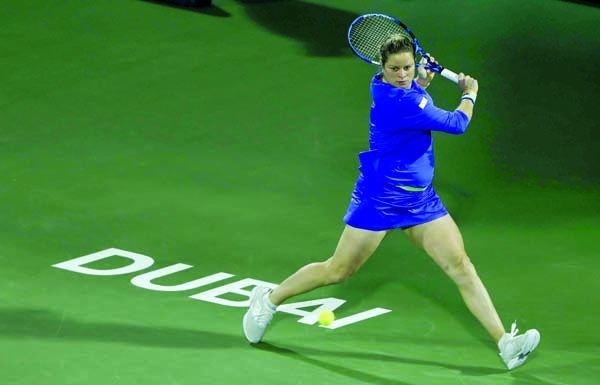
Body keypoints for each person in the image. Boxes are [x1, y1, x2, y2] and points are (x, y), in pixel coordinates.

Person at [242, 34, 540, 370]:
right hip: (380, 198)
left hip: (420, 201)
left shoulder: (400, 90)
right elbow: (457, 124)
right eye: (394, 69)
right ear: (381, 68)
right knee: (338, 271)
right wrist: (469, 93)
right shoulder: (399, 103)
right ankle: (268, 300)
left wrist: (422, 84)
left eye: (408, 67)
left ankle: (506, 344)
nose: (402, 74)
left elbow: (417, 100)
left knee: (460, 266)